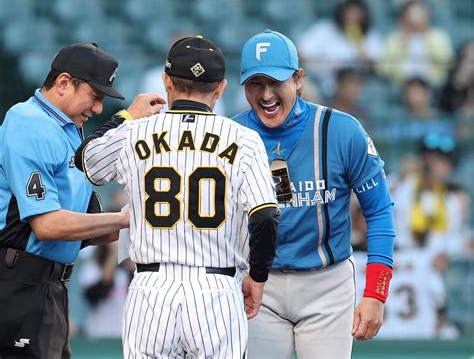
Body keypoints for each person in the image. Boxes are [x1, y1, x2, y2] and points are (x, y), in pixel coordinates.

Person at [75, 35, 279, 358]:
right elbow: (266, 216)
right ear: (221, 88)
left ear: (166, 81)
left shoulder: (135, 132)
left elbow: (86, 160)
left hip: (151, 289)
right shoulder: (245, 140)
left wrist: (126, 117)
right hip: (217, 289)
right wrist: (258, 276)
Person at [233, 29, 396, 359]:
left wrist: (376, 293)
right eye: (254, 84)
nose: (265, 94)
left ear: (298, 79)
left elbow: (379, 211)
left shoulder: (343, 130)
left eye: (275, 82)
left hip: (328, 285)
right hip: (256, 284)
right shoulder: (229, 135)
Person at [0, 42, 163, 359]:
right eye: (95, 95)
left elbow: (87, 229)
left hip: (48, 286)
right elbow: (47, 225)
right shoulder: (29, 123)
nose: (99, 108)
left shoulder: (67, 128)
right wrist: (128, 217)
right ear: (63, 83)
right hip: (18, 283)